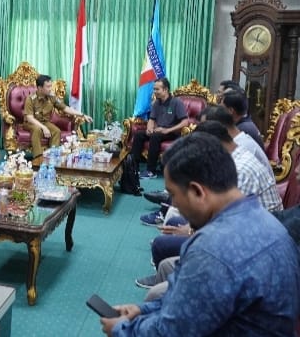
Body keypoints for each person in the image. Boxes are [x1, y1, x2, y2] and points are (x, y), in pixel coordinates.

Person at [101, 132, 300, 336]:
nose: (174, 203)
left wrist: (120, 330)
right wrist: (143, 310)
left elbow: (170, 333)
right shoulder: (269, 223)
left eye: (174, 194)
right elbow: (191, 303)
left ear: (197, 191)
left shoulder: (211, 249)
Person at [130, 78, 189, 179]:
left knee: (155, 136)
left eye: (157, 89)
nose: (154, 92)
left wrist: (167, 130)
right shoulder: (156, 103)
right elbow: (152, 119)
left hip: (172, 132)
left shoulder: (176, 102)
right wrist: (149, 128)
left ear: (165, 90)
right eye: (154, 89)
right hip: (158, 131)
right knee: (139, 134)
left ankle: (151, 171)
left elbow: (185, 122)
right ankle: (133, 168)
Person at [23, 74, 92, 158]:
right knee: (37, 130)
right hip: (31, 123)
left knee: (56, 131)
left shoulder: (52, 97)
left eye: (50, 86)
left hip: (44, 122)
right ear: (40, 88)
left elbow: (66, 108)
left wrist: (82, 115)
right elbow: (30, 118)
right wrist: (44, 128)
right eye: (47, 87)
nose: (50, 89)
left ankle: (53, 155)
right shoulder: (30, 99)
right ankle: (38, 158)